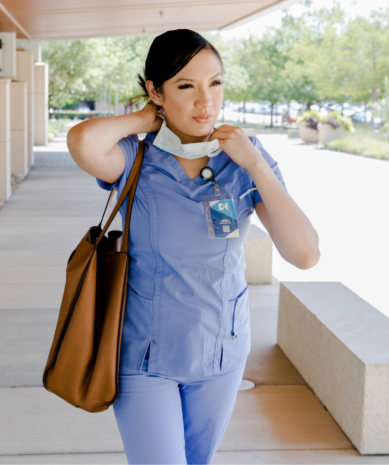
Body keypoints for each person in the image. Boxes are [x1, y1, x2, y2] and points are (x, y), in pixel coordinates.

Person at [66, 29, 319, 465]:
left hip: (222, 353)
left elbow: (304, 254)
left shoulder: (242, 160)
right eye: (186, 86)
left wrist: (255, 164)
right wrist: (148, 119)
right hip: (146, 357)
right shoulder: (136, 159)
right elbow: (82, 142)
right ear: (155, 89)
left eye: (215, 83)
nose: (206, 101)